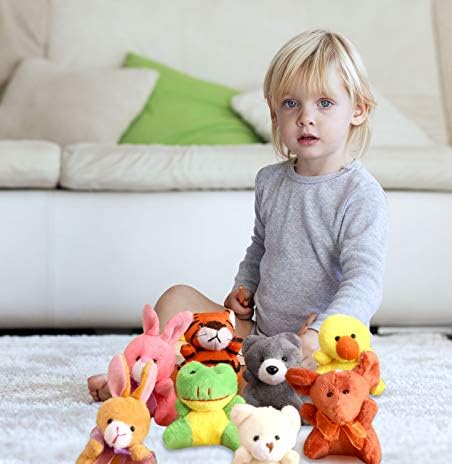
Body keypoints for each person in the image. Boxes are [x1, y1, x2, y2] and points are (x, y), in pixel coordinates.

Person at [88, 29, 388, 401]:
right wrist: (243, 290)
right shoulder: (271, 181)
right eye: (291, 104)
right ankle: (150, 370)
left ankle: (196, 381)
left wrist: (319, 334)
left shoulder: (360, 194)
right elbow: (260, 247)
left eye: (325, 103)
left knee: (322, 388)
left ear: (357, 109)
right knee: (176, 299)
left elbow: (364, 282)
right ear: (275, 113)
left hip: (319, 350)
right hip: (260, 338)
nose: (306, 117)